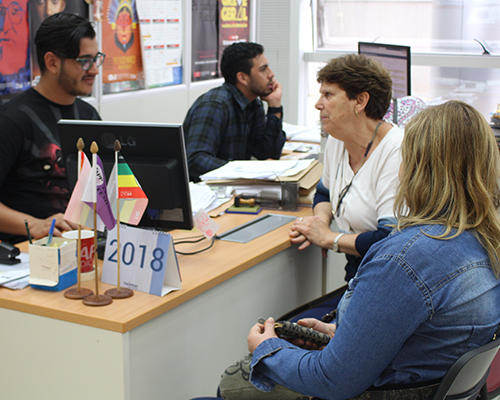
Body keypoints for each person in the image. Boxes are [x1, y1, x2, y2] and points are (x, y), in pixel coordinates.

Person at [217, 100, 500, 400]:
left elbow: (332, 380)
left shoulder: (403, 261)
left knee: (232, 381)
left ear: (418, 169)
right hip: (423, 385)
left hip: (374, 390)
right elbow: (430, 340)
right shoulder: (486, 242)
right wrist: (345, 334)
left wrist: (267, 349)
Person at [289, 54, 403, 282]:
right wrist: (320, 222)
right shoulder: (337, 140)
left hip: (391, 275)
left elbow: (390, 238)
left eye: (328, 95)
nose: (318, 104)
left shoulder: (397, 149)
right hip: (357, 269)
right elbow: (324, 193)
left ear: (360, 101)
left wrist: (329, 238)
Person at [0, 13, 103, 244]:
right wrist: (34, 225)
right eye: (84, 61)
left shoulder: (88, 115)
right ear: (52, 62)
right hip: (30, 249)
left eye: (96, 59)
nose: (95, 70)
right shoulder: (13, 121)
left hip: (83, 242)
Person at [183, 42, 286, 182]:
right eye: (263, 69)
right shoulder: (215, 105)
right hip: (206, 190)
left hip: (232, 187)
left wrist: (275, 107)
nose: (271, 74)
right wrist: (244, 170)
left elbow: (267, 155)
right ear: (243, 78)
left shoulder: (253, 103)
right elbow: (195, 160)